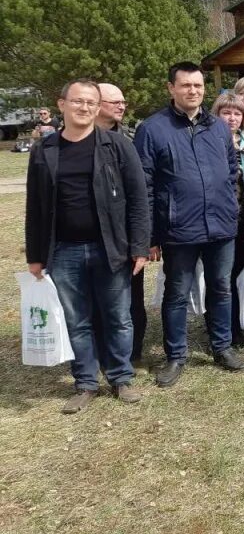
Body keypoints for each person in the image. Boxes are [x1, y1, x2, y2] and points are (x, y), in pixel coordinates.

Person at [25, 79, 149, 412]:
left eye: (92, 103)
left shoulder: (116, 145)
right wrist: (35, 256)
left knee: (118, 317)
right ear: (61, 104)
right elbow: (35, 207)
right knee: (76, 319)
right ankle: (85, 382)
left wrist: (139, 246)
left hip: (111, 248)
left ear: (98, 108)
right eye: (78, 101)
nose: (85, 108)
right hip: (63, 250)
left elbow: (138, 199)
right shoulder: (45, 150)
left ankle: (121, 378)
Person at [135, 62, 244, 387]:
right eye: (186, 85)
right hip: (178, 228)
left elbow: (229, 167)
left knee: (221, 289)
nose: (193, 91)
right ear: (171, 88)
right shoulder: (152, 129)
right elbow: (145, 185)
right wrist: (151, 234)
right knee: (177, 294)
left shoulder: (218, 127)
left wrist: (226, 204)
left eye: (198, 85)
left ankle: (222, 347)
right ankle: (175, 356)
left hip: (221, 226)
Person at [92, 82, 145, 362]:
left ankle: (132, 354)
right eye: (115, 102)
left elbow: (140, 192)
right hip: (89, 234)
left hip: (125, 234)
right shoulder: (80, 138)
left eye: (123, 101)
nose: (122, 106)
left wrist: (143, 240)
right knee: (95, 301)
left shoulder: (130, 138)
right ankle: (100, 353)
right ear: (97, 104)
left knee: (131, 298)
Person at [211, 91, 244, 347]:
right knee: (222, 278)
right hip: (218, 221)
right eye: (226, 112)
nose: (231, 118)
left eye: (237, 113)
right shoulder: (207, 141)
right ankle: (222, 329)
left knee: (241, 273)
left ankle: (238, 326)